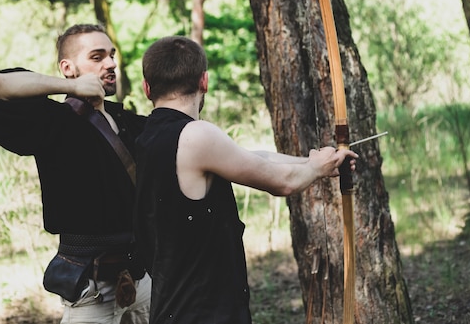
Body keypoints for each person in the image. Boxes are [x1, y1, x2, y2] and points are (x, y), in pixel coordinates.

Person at [134, 35, 358, 324]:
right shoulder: (197, 135)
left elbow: (252, 159)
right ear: (204, 81)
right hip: (203, 313)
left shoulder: (150, 136)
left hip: (176, 309)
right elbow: (283, 183)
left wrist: (316, 163)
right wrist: (314, 169)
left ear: (146, 88)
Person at [0, 24, 151, 324]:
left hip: (143, 278)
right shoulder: (54, 123)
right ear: (68, 67)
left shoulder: (130, 122)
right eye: (97, 57)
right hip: (91, 288)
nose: (110, 64)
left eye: (111, 55)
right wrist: (70, 88)